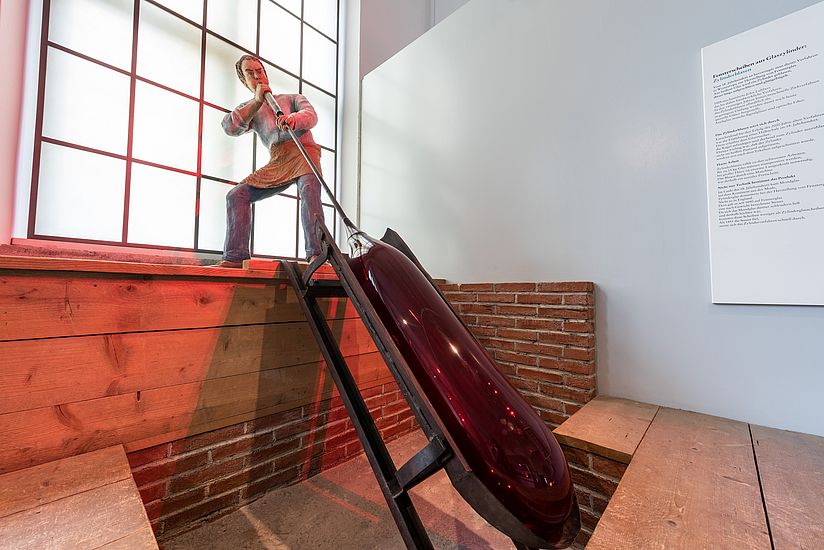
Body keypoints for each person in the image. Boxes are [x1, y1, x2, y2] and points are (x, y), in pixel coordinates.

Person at [211, 55, 325, 267]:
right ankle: (236, 257)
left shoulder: (292, 98)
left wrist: (293, 119)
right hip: (278, 159)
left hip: (304, 153)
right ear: (245, 81)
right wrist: (256, 101)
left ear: (266, 73)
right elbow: (230, 127)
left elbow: (311, 115)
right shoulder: (252, 109)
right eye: (250, 73)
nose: (256, 76)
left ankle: (316, 255)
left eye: (259, 71)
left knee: (310, 190)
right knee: (237, 195)